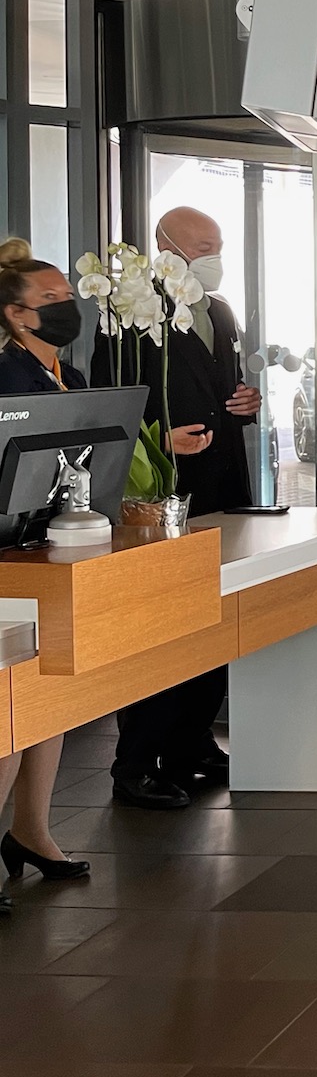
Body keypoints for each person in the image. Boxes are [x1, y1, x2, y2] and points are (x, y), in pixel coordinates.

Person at [93, 207, 257, 809]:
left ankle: (193, 743)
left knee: (212, 618)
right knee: (158, 625)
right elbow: (109, 407)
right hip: (158, 494)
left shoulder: (219, 310)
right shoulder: (128, 312)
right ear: (164, 246)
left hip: (220, 485)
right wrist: (158, 441)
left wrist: (247, 402)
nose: (214, 256)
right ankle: (136, 760)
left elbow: (224, 390)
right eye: (203, 245)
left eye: (219, 244)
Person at [0, 240, 91, 907]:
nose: (68, 308)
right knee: (7, 705)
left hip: (50, 551)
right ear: (16, 316)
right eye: (51, 300)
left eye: (69, 296)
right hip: (8, 558)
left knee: (49, 695)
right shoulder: (8, 382)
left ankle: (31, 830)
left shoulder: (71, 377)